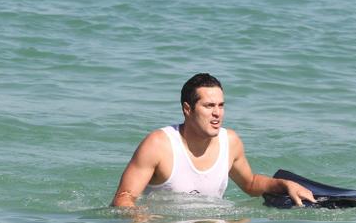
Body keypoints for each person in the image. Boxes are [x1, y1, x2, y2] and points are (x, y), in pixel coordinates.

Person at [111, 73, 315, 208]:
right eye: (209, 106)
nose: (217, 113)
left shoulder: (231, 141)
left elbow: (250, 184)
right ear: (187, 109)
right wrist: (142, 219)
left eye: (221, 105)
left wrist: (284, 184)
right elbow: (123, 198)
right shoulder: (159, 145)